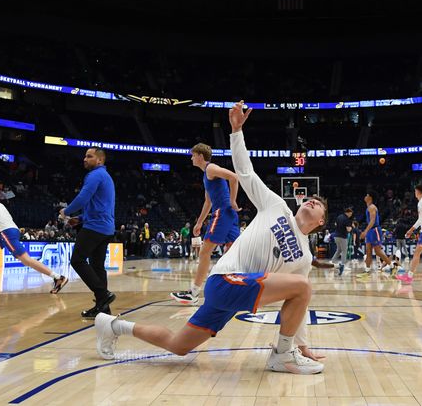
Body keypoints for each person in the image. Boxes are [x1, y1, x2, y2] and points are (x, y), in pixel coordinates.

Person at [95, 101, 327, 374]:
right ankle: (281, 356)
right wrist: (236, 132)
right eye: (309, 199)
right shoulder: (277, 207)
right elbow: (245, 173)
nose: (311, 201)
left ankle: (112, 325)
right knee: (302, 286)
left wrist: (303, 345)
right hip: (226, 279)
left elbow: (299, 304)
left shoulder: (305, 256)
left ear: (321, 221)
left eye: (318, 203)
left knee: (179, 345)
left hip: (233, 293)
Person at [0, 176, 66, 293]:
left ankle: (58, 277)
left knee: (26, 260)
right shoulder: (0, 207)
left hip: (6, 233)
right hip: (9, 232)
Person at [171, 144, 241, 304]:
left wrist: (232, 200)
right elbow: (207, 202)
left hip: (223, 212)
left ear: (200, 156)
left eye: (193, 155)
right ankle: (236, 291)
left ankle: (193, 293)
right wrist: (199, 222)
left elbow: (234, 177)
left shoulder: (211, 168)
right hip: (228, 215)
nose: (191, 158)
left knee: (204, 252)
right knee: (232, 253)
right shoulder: (206, 175)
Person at [60, 147, 116, 318]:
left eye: (89, 156)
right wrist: (81, 218)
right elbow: (100, 206)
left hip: (95, 227)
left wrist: (66, 211)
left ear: (99, 160)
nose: (84, 159)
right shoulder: (106, 176)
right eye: (85, 156)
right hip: (106, 228)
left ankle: (103, 294)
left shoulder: (95, 175)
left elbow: (83, 198)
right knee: (98, 266)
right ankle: (103, 308)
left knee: (77, 260)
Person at [358, 192, 394, 277]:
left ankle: (392, 266)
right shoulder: (368, 207)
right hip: (370, 231)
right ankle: (367, 270)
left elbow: (373, 220)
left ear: (370, 197)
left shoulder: (372, 207)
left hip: (374, 230)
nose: (365, 196)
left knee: (378, 251)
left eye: (367, 195)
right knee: (368, 251)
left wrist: (365, 231)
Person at [329, 207, 353, 276]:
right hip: (342, 237)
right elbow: (348, 230)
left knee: (338, 250)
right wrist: (351, 226)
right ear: (348, 212)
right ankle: (343, 265)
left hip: (336, 235)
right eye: (350, 214)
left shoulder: (339, 217)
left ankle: (332, 261)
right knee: (344, 251)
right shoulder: (347, 219)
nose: (351, 215)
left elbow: (335, 224)